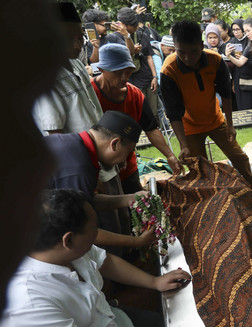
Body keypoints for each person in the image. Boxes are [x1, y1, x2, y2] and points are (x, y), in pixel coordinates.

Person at [0, 189, 194, 327]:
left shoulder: (62, 249)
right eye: (93, 229)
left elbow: (103, 261)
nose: (97, 233)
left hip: (107, 326)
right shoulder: (26, 303)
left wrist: (153, 282)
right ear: (68, 239)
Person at [161, 20, 252, 188]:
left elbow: (226, 95)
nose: (187, 58)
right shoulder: (169, 69)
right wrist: (183, 145)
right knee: (200, 171)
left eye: (194, 52)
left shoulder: (215, 60)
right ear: (175, 47)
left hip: (216, 120)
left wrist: (230, 125)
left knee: (240, 158)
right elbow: (173, 112)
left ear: (201, 45)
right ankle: (211, 203)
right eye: (181, 52)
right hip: (188, 128)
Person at [44, 110, 156, 249]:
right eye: (128, 152)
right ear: (115, 143)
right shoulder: (78, 168)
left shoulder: (74, 144)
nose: (124, 160)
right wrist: (137, 241)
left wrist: (130, 198)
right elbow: (82, 232)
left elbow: (87, 199)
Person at [91, 43, 182, 191]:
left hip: (128, 169)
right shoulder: (90, 95)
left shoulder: (135, 95)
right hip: (99, 172)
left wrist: (170, 156)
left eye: (128, 72)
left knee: (136, 207)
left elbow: (151, 128)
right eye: (118, 72)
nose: (124, 78)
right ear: (101, 69)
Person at [33, 2, 103, 135]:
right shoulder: (45, 77)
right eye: (68, 39)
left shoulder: (76, 63)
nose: (78, 45)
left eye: (80, 37)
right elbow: (55, 134)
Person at [114, 7, 159, 120]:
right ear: (123, 24)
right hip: (133, 80)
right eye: (133, 25)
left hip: (147, 78)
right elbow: (128, 52)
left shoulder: (142, 34)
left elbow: (149, 56)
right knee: (138, 113)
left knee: (154, 113)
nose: (135, 27)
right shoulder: (115, 37)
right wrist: (131, 46)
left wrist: (154, 76)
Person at [226, 18, 252, 119]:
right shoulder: (250, 45)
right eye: (245, 31)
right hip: (245, 79)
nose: (247, 34)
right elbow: (240, 63)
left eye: (248, 31)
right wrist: (229, 56)